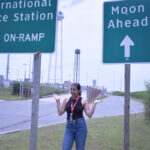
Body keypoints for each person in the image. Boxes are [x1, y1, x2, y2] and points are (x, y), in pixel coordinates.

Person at [53, 83, 103, 150]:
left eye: (74, 89)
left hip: (80, 127)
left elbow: (89, 115)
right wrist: (58, 101)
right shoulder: (66, 100)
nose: (72, 91)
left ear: (79, 90)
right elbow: (60, 112)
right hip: (69, 127)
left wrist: (94, 104)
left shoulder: (83, 101)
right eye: (71, 89)